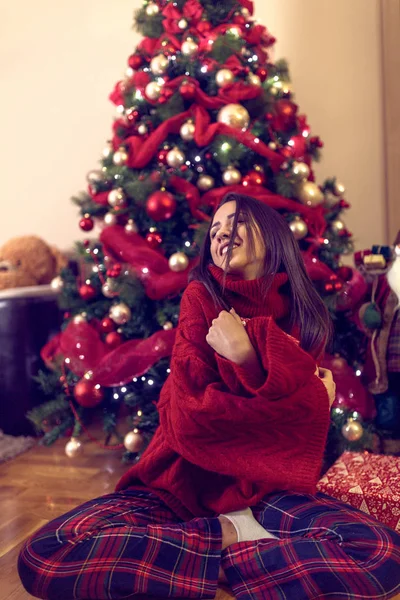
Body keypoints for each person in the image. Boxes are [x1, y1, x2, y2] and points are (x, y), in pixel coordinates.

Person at [18, 194, 400, 600]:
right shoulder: (201, 298)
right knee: (47, 554)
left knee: (381, 554)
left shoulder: (304, 317)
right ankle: (234, 540)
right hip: (181, 486)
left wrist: (248, 357)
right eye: (214, 230)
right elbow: (191, 417)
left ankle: (204, 561)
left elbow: (306, 429)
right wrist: (304, 395)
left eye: (233, 225)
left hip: (267, 489)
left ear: (271, 235)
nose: (220, 236)